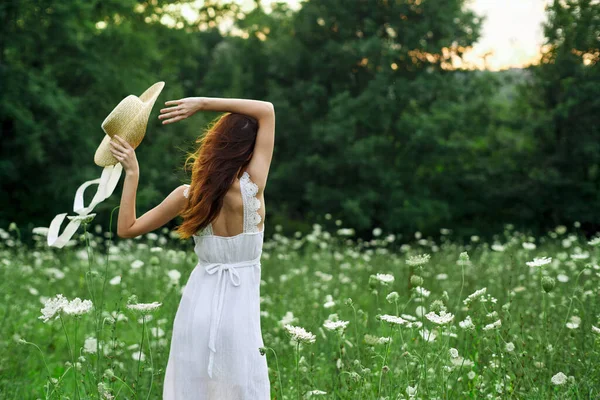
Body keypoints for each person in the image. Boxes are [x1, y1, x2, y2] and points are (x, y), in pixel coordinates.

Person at [109, 96, 275, 399]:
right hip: (240, 313)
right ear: (250, 150)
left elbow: (127, 229)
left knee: (192, 385)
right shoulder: (254, 187)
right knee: (243, 384)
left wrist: (132, 173)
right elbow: (267, 110)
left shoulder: (189, 195)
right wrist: (201, 103)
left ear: (216, 145)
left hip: (197, 306)